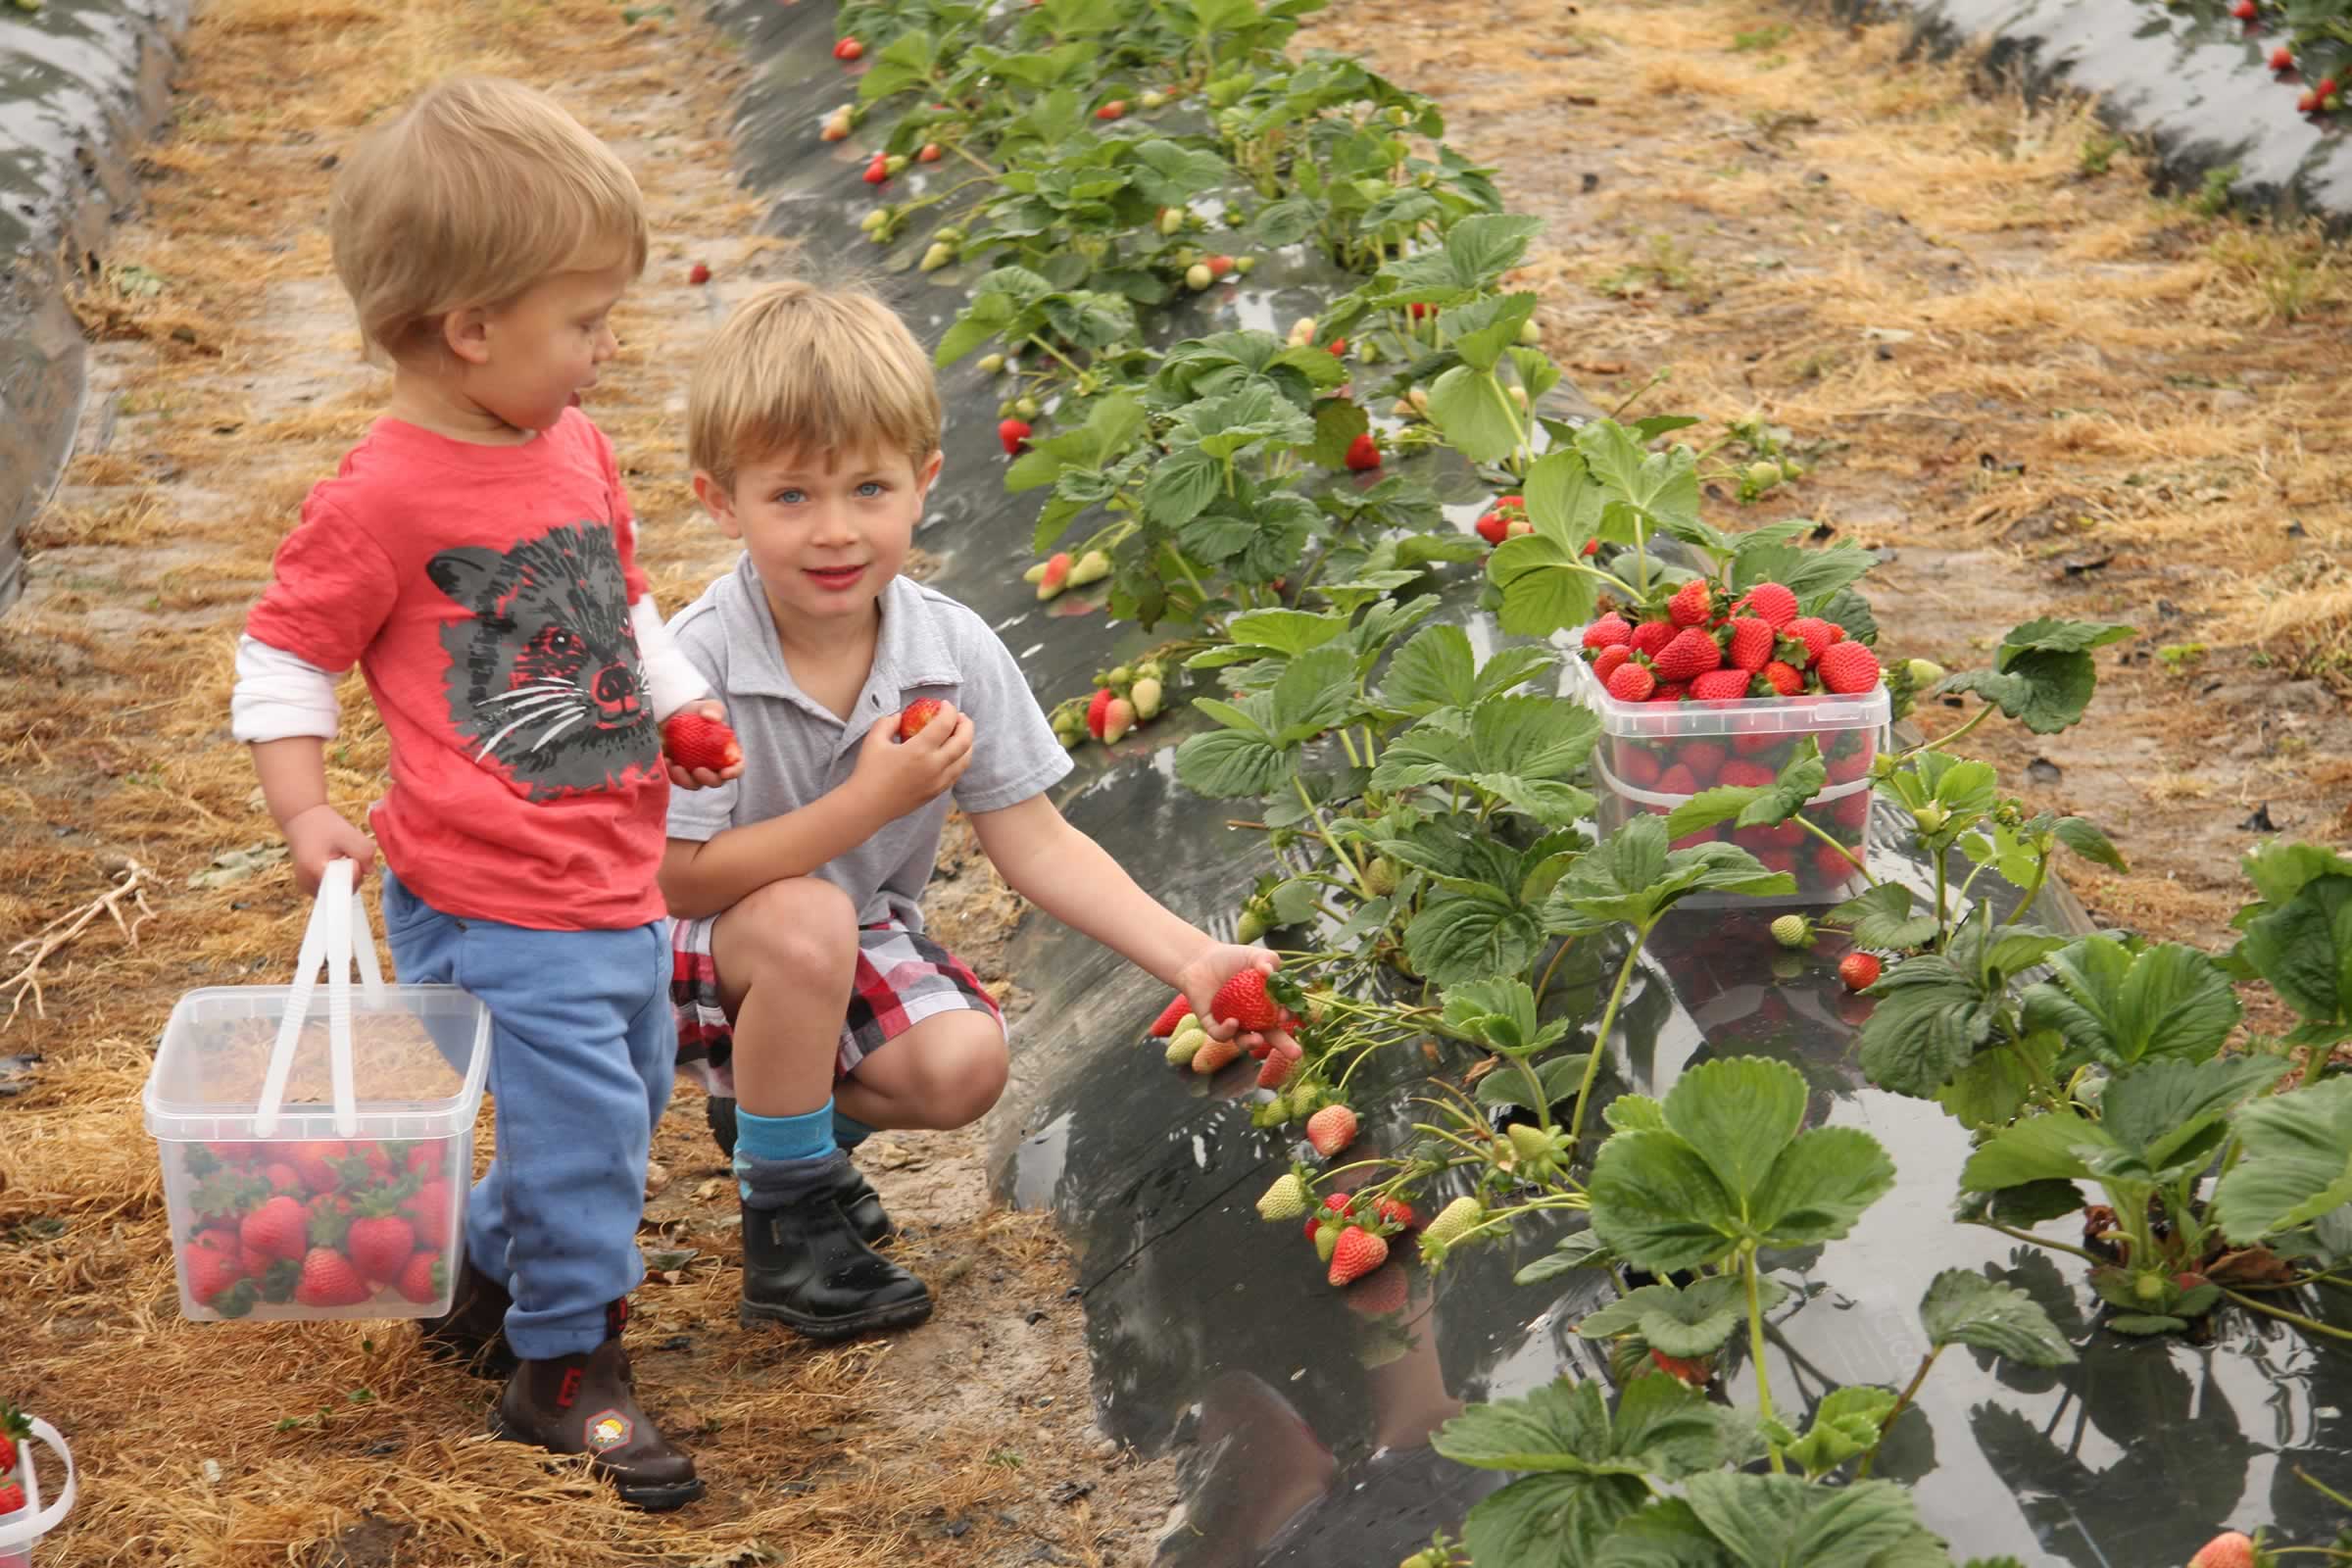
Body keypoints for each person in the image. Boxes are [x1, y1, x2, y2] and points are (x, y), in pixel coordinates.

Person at [227, 75, 734, 1511]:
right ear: (470, 329)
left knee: (630, 1101)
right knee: (583, 1134)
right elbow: (283, 652)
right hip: (497, 889)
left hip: (611, 869)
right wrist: (303, 807)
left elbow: (618, 599)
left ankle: (480, 1273)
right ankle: (564, 1369)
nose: (606, 348)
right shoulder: (384, 499)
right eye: (582, 322)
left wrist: (680, 704)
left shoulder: (567, 445)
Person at [659, 279, 1277, 1340]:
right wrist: (867, 803)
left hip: (836, 943)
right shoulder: (696, 662)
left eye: (868, 488)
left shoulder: (949, 653)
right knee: (804, 917)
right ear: (723, 501)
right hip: (680, 948)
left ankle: (776, 1120)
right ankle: (789, 1225)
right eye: (792, 497)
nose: (837, 531)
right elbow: (679, 879)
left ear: (925, 482)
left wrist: (1188, 957)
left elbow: (1035, 839)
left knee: (963, 1065)